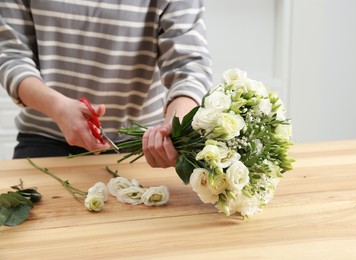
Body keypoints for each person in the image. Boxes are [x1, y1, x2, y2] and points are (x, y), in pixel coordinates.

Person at [0, 0, 212, 168]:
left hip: (142, 149)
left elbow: (188, 66)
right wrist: (57, 107)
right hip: (44, 141)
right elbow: (11, 56)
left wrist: (176, 126)